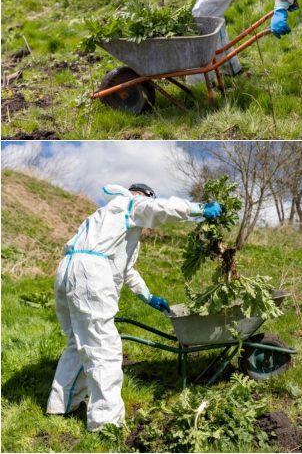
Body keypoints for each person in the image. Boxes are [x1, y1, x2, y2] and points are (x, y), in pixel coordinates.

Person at [46, 183, 222, 431]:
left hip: (67, 269)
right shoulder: (130, 203)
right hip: (90, 272)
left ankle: (60, 405)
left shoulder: (109, 218)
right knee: (104, 348)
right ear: (144, 196)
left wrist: (148, 296)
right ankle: (106, 425)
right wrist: (199, 209)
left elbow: (126, 270)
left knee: (78, 342)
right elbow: (162, 209)